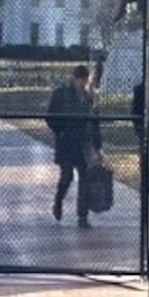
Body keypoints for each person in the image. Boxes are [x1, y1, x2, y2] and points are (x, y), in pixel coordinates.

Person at [46, 64, 102, 228]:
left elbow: (95, 123)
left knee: (85, 179)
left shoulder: (90, 97)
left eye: (87, 81)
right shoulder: (61, 94)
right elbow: (50, 117)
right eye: (82, 80)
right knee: (67, 176)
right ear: (75, 79)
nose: (84, 84)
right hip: (67, 142)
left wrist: (98, 147)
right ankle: (58, 200)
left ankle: (82, 216)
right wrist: (60, 131)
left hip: (84, 143)